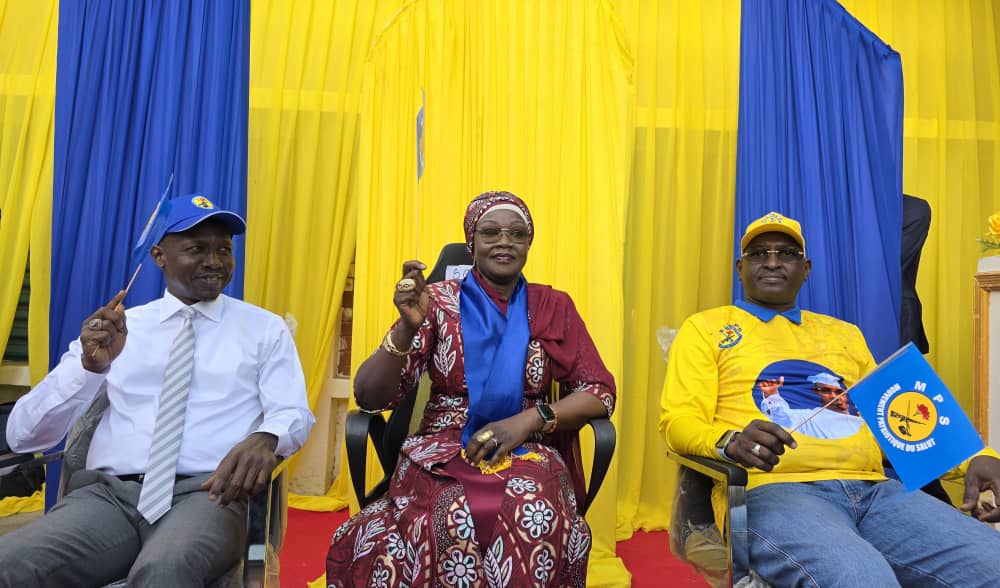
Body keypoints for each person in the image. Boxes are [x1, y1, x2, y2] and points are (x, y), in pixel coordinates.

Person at [659, 211, 1000, 587]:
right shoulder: (706, 328)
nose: (772, 261)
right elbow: (678, 421)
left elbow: (894, 415)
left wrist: (977, 457)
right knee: (864, 580)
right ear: (740, 268)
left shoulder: (845, 334)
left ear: (805, 269)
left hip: (877, 491)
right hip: (774, 491)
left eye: (786, 253)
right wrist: (731, 441)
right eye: (758, 254)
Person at [0, 194, 315, 587]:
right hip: (108, 499)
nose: (214, 262)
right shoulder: (118, 330)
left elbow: (293, 411)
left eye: (223, 250)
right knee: (9, 563)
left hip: (208, 495)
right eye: (197, 249)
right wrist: (88, 369)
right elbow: (24, 435)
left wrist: (267, 436)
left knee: (163, 571)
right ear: (159, 256)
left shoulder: (264, 329)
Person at [326, 191, 616, 587]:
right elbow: (370, 396)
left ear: (528, 243)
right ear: (471, 243)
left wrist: (529, 421)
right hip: (441, 445)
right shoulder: (436, 302)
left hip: (528, 446)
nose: (504, 241)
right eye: (490, 232)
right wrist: (407, 326)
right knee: (449, 512)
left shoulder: (553, 306)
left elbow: (599, 391)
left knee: (530, 510)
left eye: (516, 233)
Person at [757, 372, 863, 439]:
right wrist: (772, 395)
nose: (834, 396)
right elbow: (782, 417)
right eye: (826, 391)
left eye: (839, 392)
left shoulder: (863, 420)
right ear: (817, 393)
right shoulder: (808, 417)